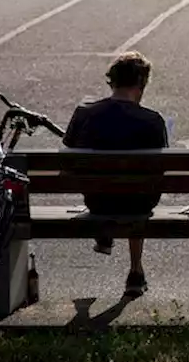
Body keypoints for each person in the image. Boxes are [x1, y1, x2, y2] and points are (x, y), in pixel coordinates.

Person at [61, 51, 168, 298]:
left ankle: (105, 230)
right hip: (138, 202)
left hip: (97, 200)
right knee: (137, 189)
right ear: (141, 84)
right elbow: (158, 170)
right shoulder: (152, 120)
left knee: (111, 185)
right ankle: (135, 271)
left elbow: (69, 156)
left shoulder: (85, 113)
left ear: (112, 81)